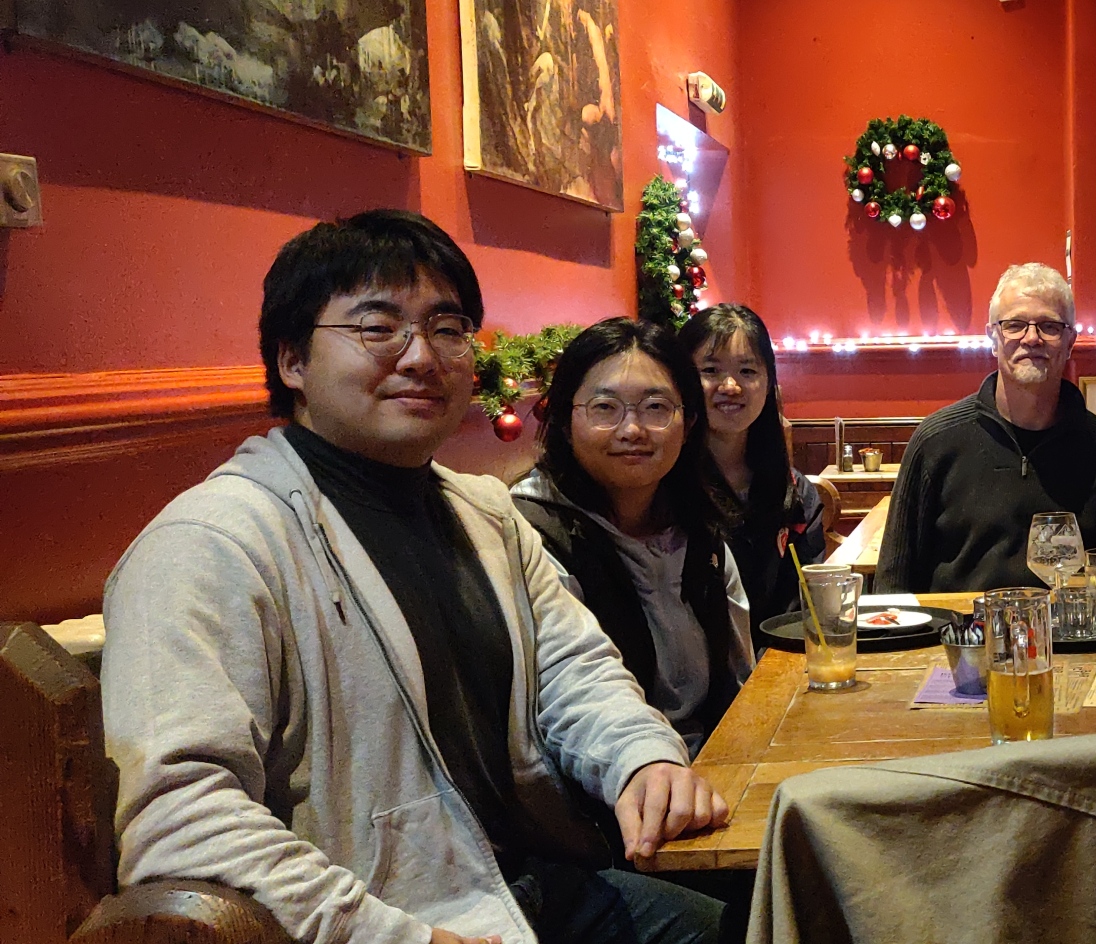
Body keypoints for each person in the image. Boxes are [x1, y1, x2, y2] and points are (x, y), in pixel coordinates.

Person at [100, 210, 731, 944]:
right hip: (391, 911)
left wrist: (641, 760)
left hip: (527, 882)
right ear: (292, 361)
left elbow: (575, 671)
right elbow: (181, 817)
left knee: (753, 916)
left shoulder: (486, 514)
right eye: (378, 328)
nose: (422, 356)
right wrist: (395, 936)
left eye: (447, 327)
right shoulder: (211, 545)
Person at [512, 317, 754, 757]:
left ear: (688, 423)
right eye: (605, 407)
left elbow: (740, 683)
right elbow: (560, 702)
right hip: (601, 779)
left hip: (713, 766)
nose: (632, 430)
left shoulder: (701, 535)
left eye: (656, 407)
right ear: (565, 421)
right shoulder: (532, 536)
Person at [876, 263, 1096, 593]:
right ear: (993, 338)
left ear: (1070, 342)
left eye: (1049, 326)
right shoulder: (935, 442)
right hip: (960, 626)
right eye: (1015, 325)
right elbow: (892, 584)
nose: (1032, 338)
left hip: (1069, 626)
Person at [677, 304, 826, 630]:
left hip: (778, 657)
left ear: (769, 383)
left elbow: (804, 609)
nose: (730, 386)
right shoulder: (662, 489)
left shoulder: (796, 494)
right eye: (710, 370)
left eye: (747, 371)